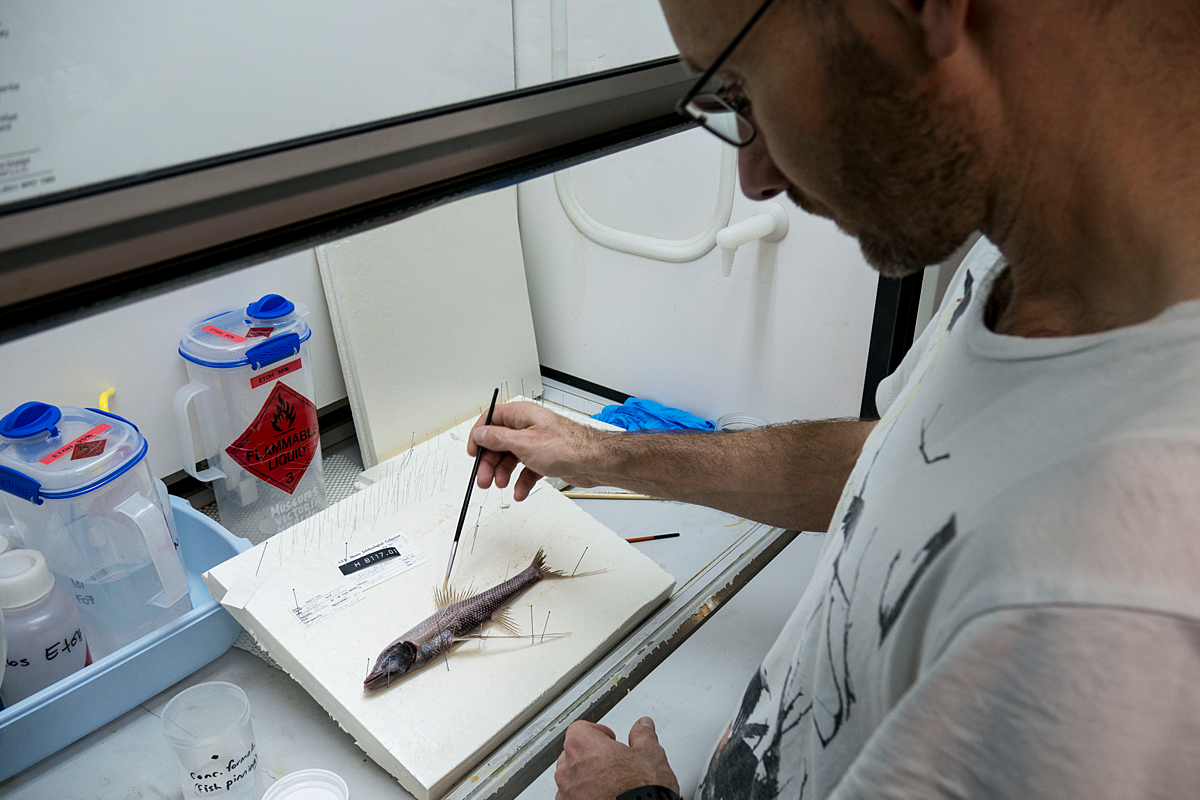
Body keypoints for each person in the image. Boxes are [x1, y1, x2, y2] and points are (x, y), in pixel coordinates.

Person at [469, 0, 1200, 797]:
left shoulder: (1121, 604)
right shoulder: (1032, 262)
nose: (754, 177)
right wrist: (600, 452)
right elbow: (897, 464)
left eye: (743, 93)